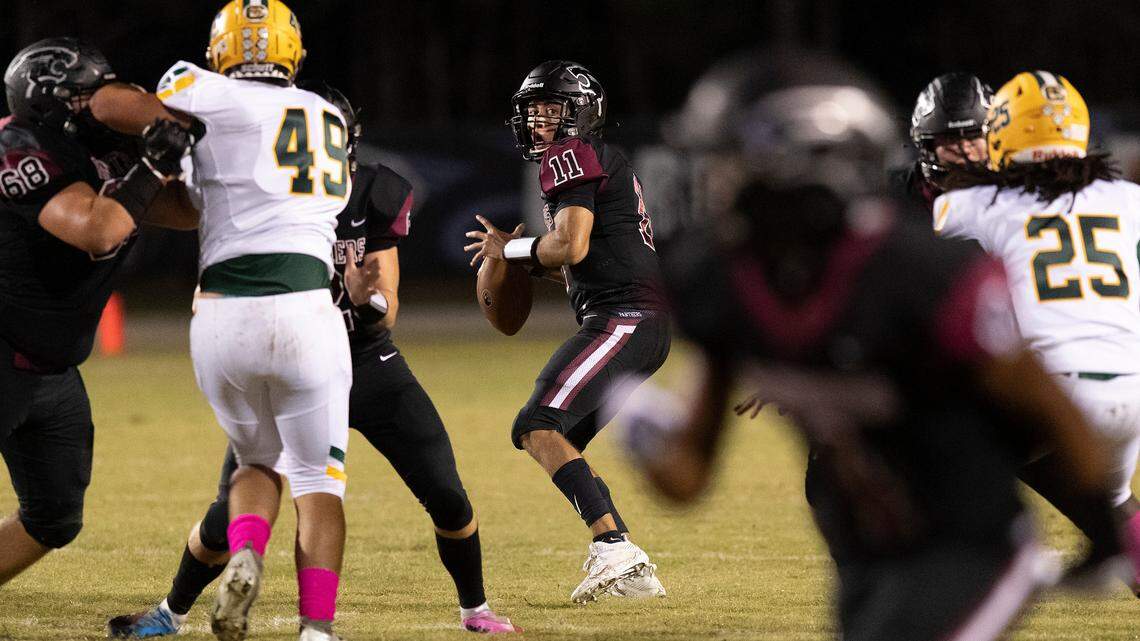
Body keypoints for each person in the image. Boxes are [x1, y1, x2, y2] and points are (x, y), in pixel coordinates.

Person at [618, 49, 1128, 641]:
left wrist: (1106, 533)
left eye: (731, 159)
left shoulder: (918, 270)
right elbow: (687, 478)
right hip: (869, 563)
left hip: (971, 548)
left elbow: (1048, 411)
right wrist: (640, 426)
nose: (717, 178)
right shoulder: (721, 280)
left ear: (793, 164)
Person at [105, 82, 518, 638]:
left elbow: (385, 309)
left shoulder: (373, 189)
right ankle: (173, 611)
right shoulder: (265, 188)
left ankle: (475, 608)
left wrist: (363, 294)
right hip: (299, 358)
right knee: (231, 508)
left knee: (445, 491)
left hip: (365, 362)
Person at [90, 2, 353, 639]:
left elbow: (107, 107)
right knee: (319, 481)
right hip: (308, 310)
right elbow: (211, 197)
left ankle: (247, 551)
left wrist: (149, 129)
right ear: (292, 54)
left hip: (222, 318)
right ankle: (316, 630)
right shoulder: (329, 117)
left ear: (221, 53)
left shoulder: (202, 89)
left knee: (253, 462)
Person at [462, 60, 669, 603]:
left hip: (625, 319)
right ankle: (628, 564)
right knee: (560, 441)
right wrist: (527, 263)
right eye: (533, 112)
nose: (539, 123)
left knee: (537, 424)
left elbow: (571, 246)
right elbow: (589, 261)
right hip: (636, 319)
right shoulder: (597, 157)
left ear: (580, 114)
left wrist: (506, 251)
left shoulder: (571, 154)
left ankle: (617, 550)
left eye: (551, 110)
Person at [934, 70, 1140, 588]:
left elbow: (929, 294)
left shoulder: (967, 208)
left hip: (1052, 393)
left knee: (930, 458)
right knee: (1115, 505)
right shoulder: (1131, 203)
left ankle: (987, 575)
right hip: (1132, 395)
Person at [0, 37, 191, 588]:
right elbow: (97, 230)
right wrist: (154, 164)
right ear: (48, 101)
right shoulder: (16, 143)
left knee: (54, 517)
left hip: (52, 370)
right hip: (2, 352)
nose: (101, 104)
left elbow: (186, 212)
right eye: (86, 96)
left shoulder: (106, 154)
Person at [904, 72, 992, 209]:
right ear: (928, 146)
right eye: (951, 138)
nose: (964, 148)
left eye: (973, 135)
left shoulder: (1017, 190)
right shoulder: (905, 193)